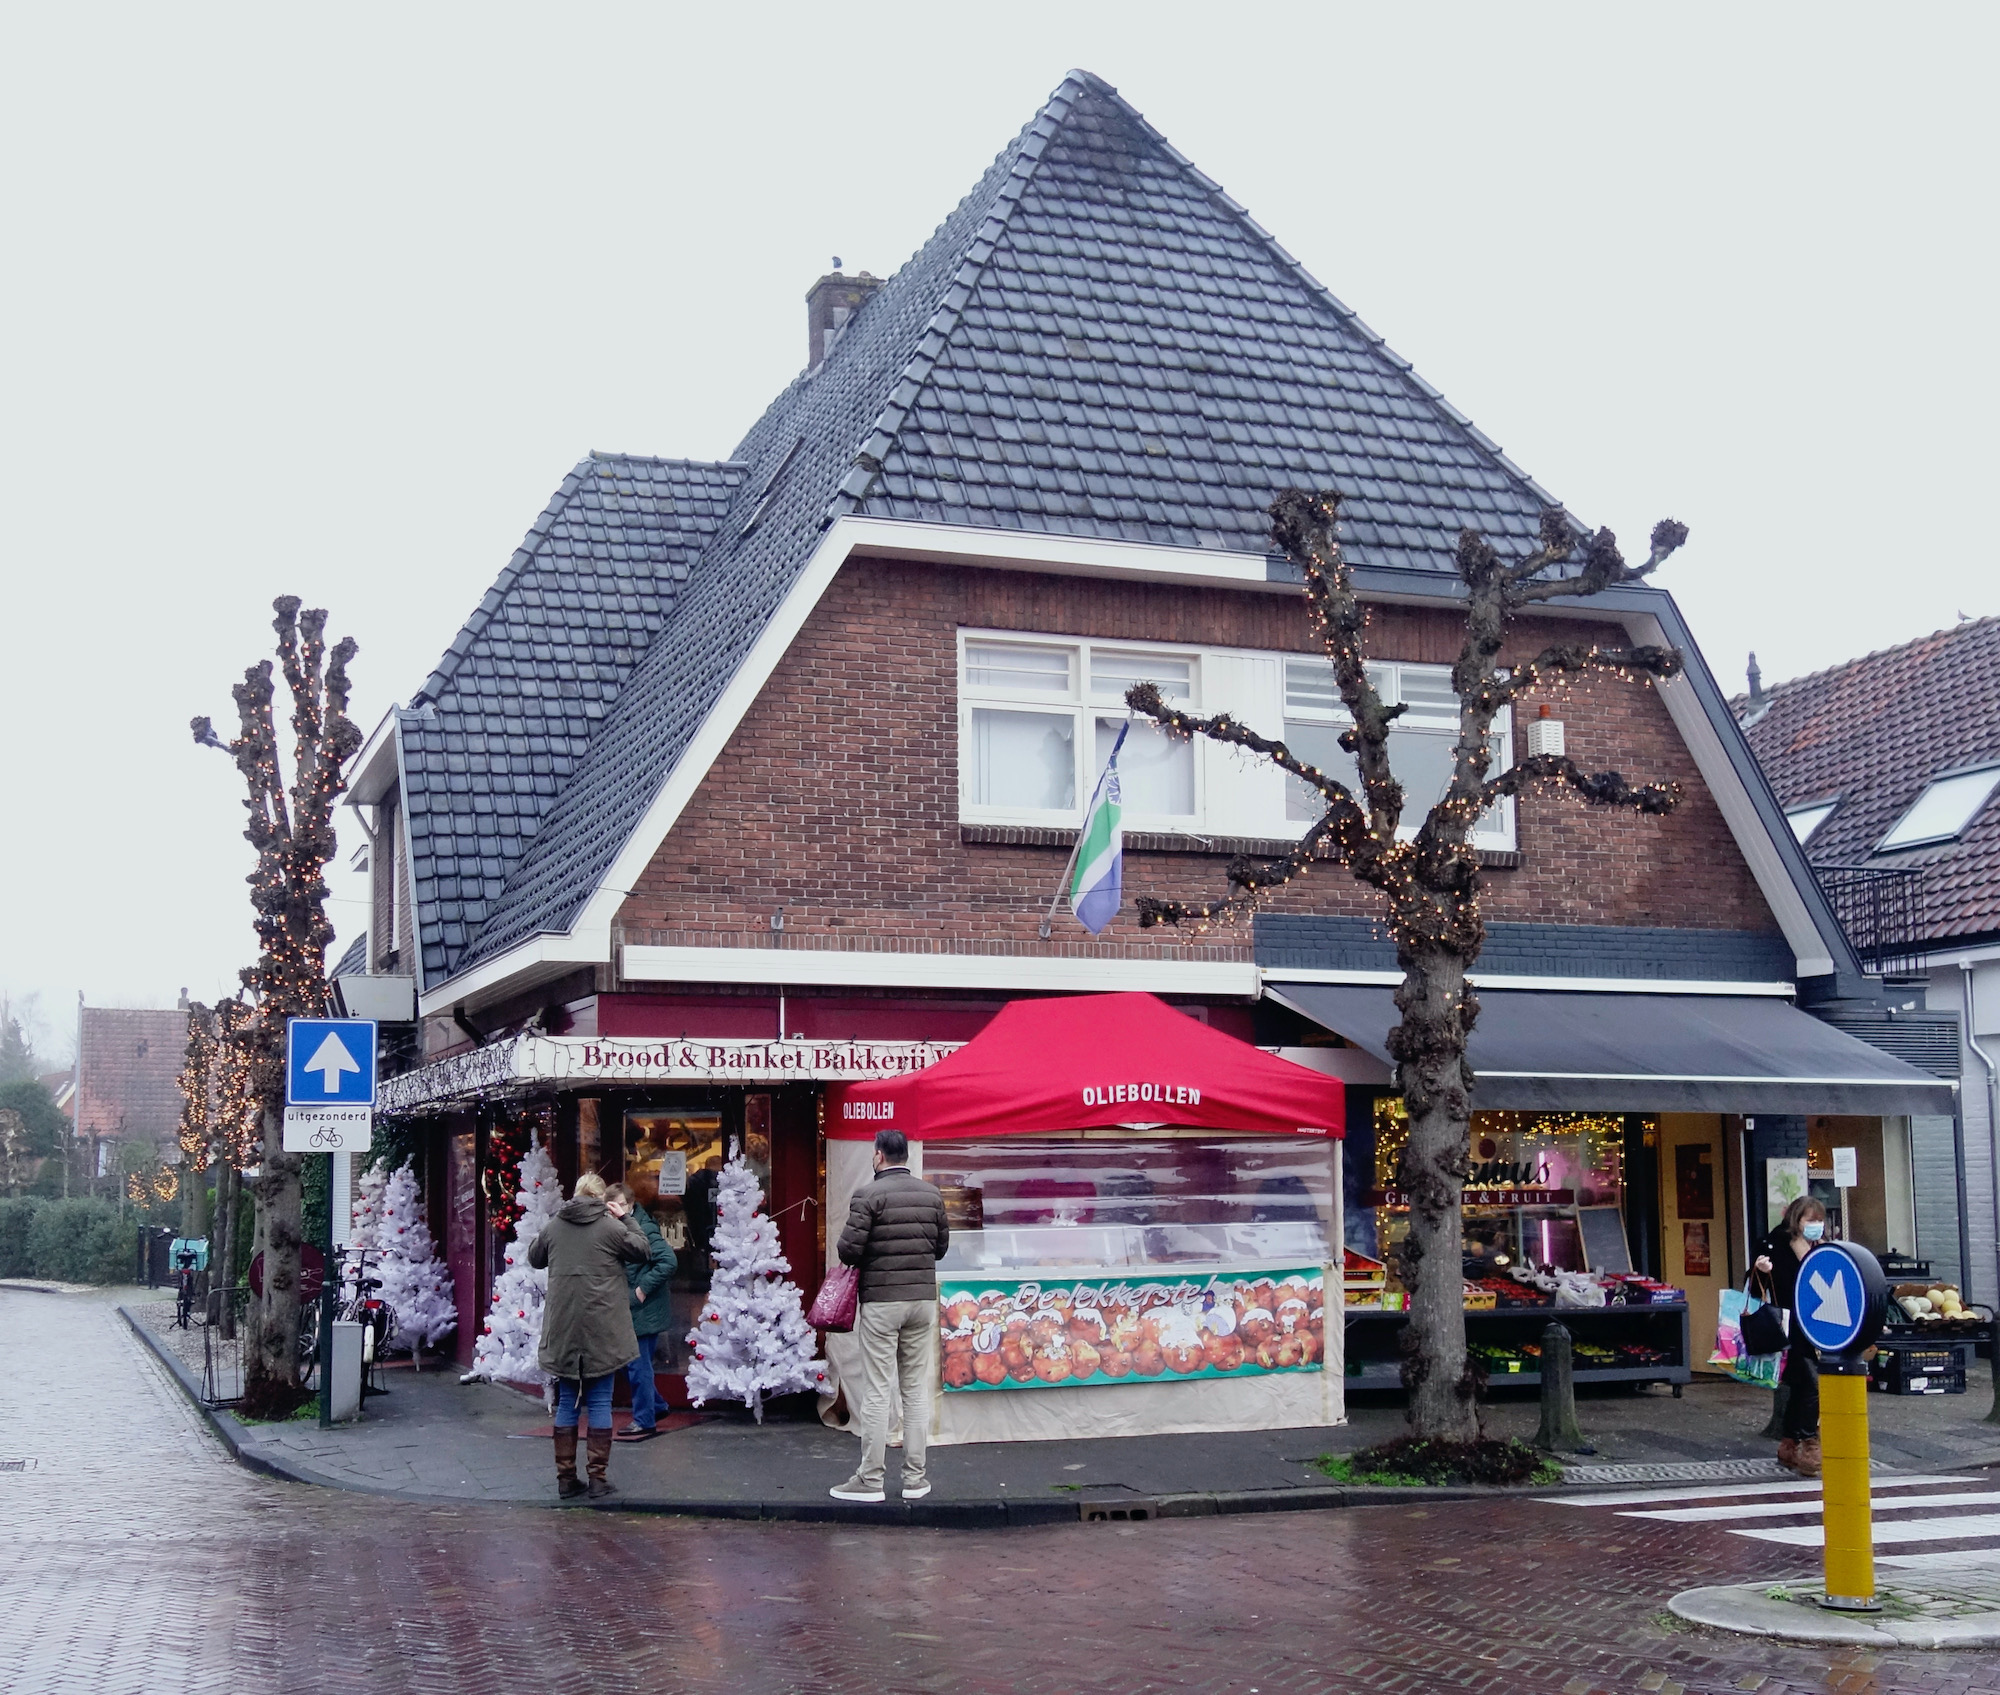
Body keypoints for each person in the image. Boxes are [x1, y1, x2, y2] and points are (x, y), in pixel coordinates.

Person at [829, 1128, 950, 1504]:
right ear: (906, 1156)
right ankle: (915, 1479)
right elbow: (941, 1248)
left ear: (879, 1155)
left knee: (879, 1390)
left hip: (882, 1302)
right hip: (921, 1300)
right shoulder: (931, 1194)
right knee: (914, 1391)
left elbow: (848, 1250)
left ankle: (870, 1480)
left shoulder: (868, 1195)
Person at [528, 1171, 651, 1499]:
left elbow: (534, 1257)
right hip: (602, 1329)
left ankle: (566, 1479)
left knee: (568, 1399)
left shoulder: (555, 1225)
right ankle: (598, 1478)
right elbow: (643, 1250)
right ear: (601, 1200)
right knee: (599, 1400)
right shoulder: (611, 1227)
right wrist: (626, 1218)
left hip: (565, 1327)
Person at [1754, 1194, 1830, 1476]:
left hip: (1814, 1325)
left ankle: (1789, 1443)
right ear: (1796, 1220)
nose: (1816, 1226)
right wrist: (1762, 1272)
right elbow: (1755, 1286)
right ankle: (1809, 1441)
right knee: (1810, 1384)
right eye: (1811, 1220)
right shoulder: (1775, 1245)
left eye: (1820, 1220)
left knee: (1802, 1386)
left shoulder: (1821, 1248)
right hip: (1787, 1326)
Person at [606, 1182, 677, 1441]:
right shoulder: (618, 1228)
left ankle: (645, 1420)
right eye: (611, 1207)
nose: (616, 1211)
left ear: (631, 1205)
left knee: (637, 1366)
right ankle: (656, 1407)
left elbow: (668, 1261)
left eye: (621, 1206)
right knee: (628, 1363)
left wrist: (641, 1289)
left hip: (643, 1309)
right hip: (630, 1309)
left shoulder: (643, 1228)